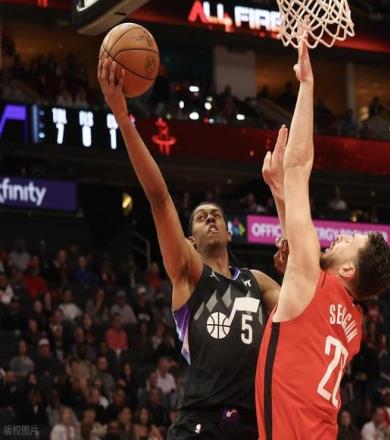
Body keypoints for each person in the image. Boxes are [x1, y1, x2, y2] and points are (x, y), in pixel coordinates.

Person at [98, 56, 281, 439]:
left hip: (253, 425)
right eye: (201, 217)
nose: (210, 218)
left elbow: (300, 305)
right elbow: (159, 197)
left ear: (229, 234)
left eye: (216, 215)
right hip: (200, 422)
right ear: (191, 239)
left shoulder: (258, 282)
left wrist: (289, 239)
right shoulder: (189, 272)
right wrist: (123, 119)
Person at [255, 38, 390, 439]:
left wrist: (307, 84)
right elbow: (302, 273)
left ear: (348, 270)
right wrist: (280, 194)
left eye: (348, 242)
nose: (340, 237)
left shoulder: (315, 285)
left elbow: (298, 166)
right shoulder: (353, 325)